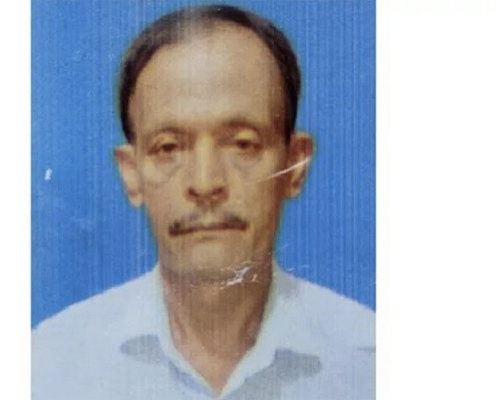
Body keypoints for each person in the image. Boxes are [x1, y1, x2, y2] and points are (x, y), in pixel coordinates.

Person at [32, 5, 375, 399]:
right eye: (168, 148)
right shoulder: (49, 368)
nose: (205, 183)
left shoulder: (369, 363)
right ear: (131, 173)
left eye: (243, 144)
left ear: (295, 165)